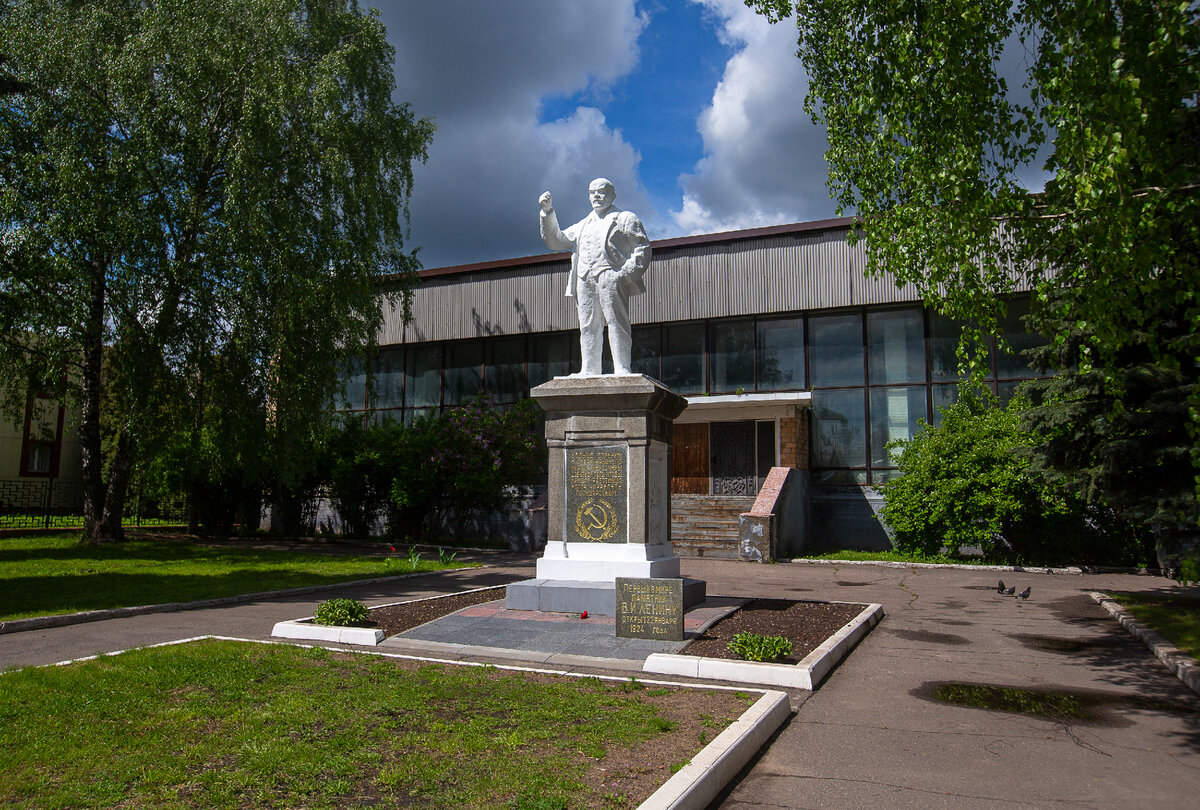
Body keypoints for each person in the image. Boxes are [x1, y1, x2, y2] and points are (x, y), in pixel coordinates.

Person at [538, 178, 651, 376]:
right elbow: (557, 241)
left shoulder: (625, 218)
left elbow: (642, 248)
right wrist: (547, 213)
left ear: (612, 195)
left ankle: (622, 368)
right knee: (588, 325)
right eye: (592, 192)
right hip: (584, 278)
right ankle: (589, 369)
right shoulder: (583, 224)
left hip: (611, 275)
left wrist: (624, 274)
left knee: (617, 321)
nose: (596, 196)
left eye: (601, 191)